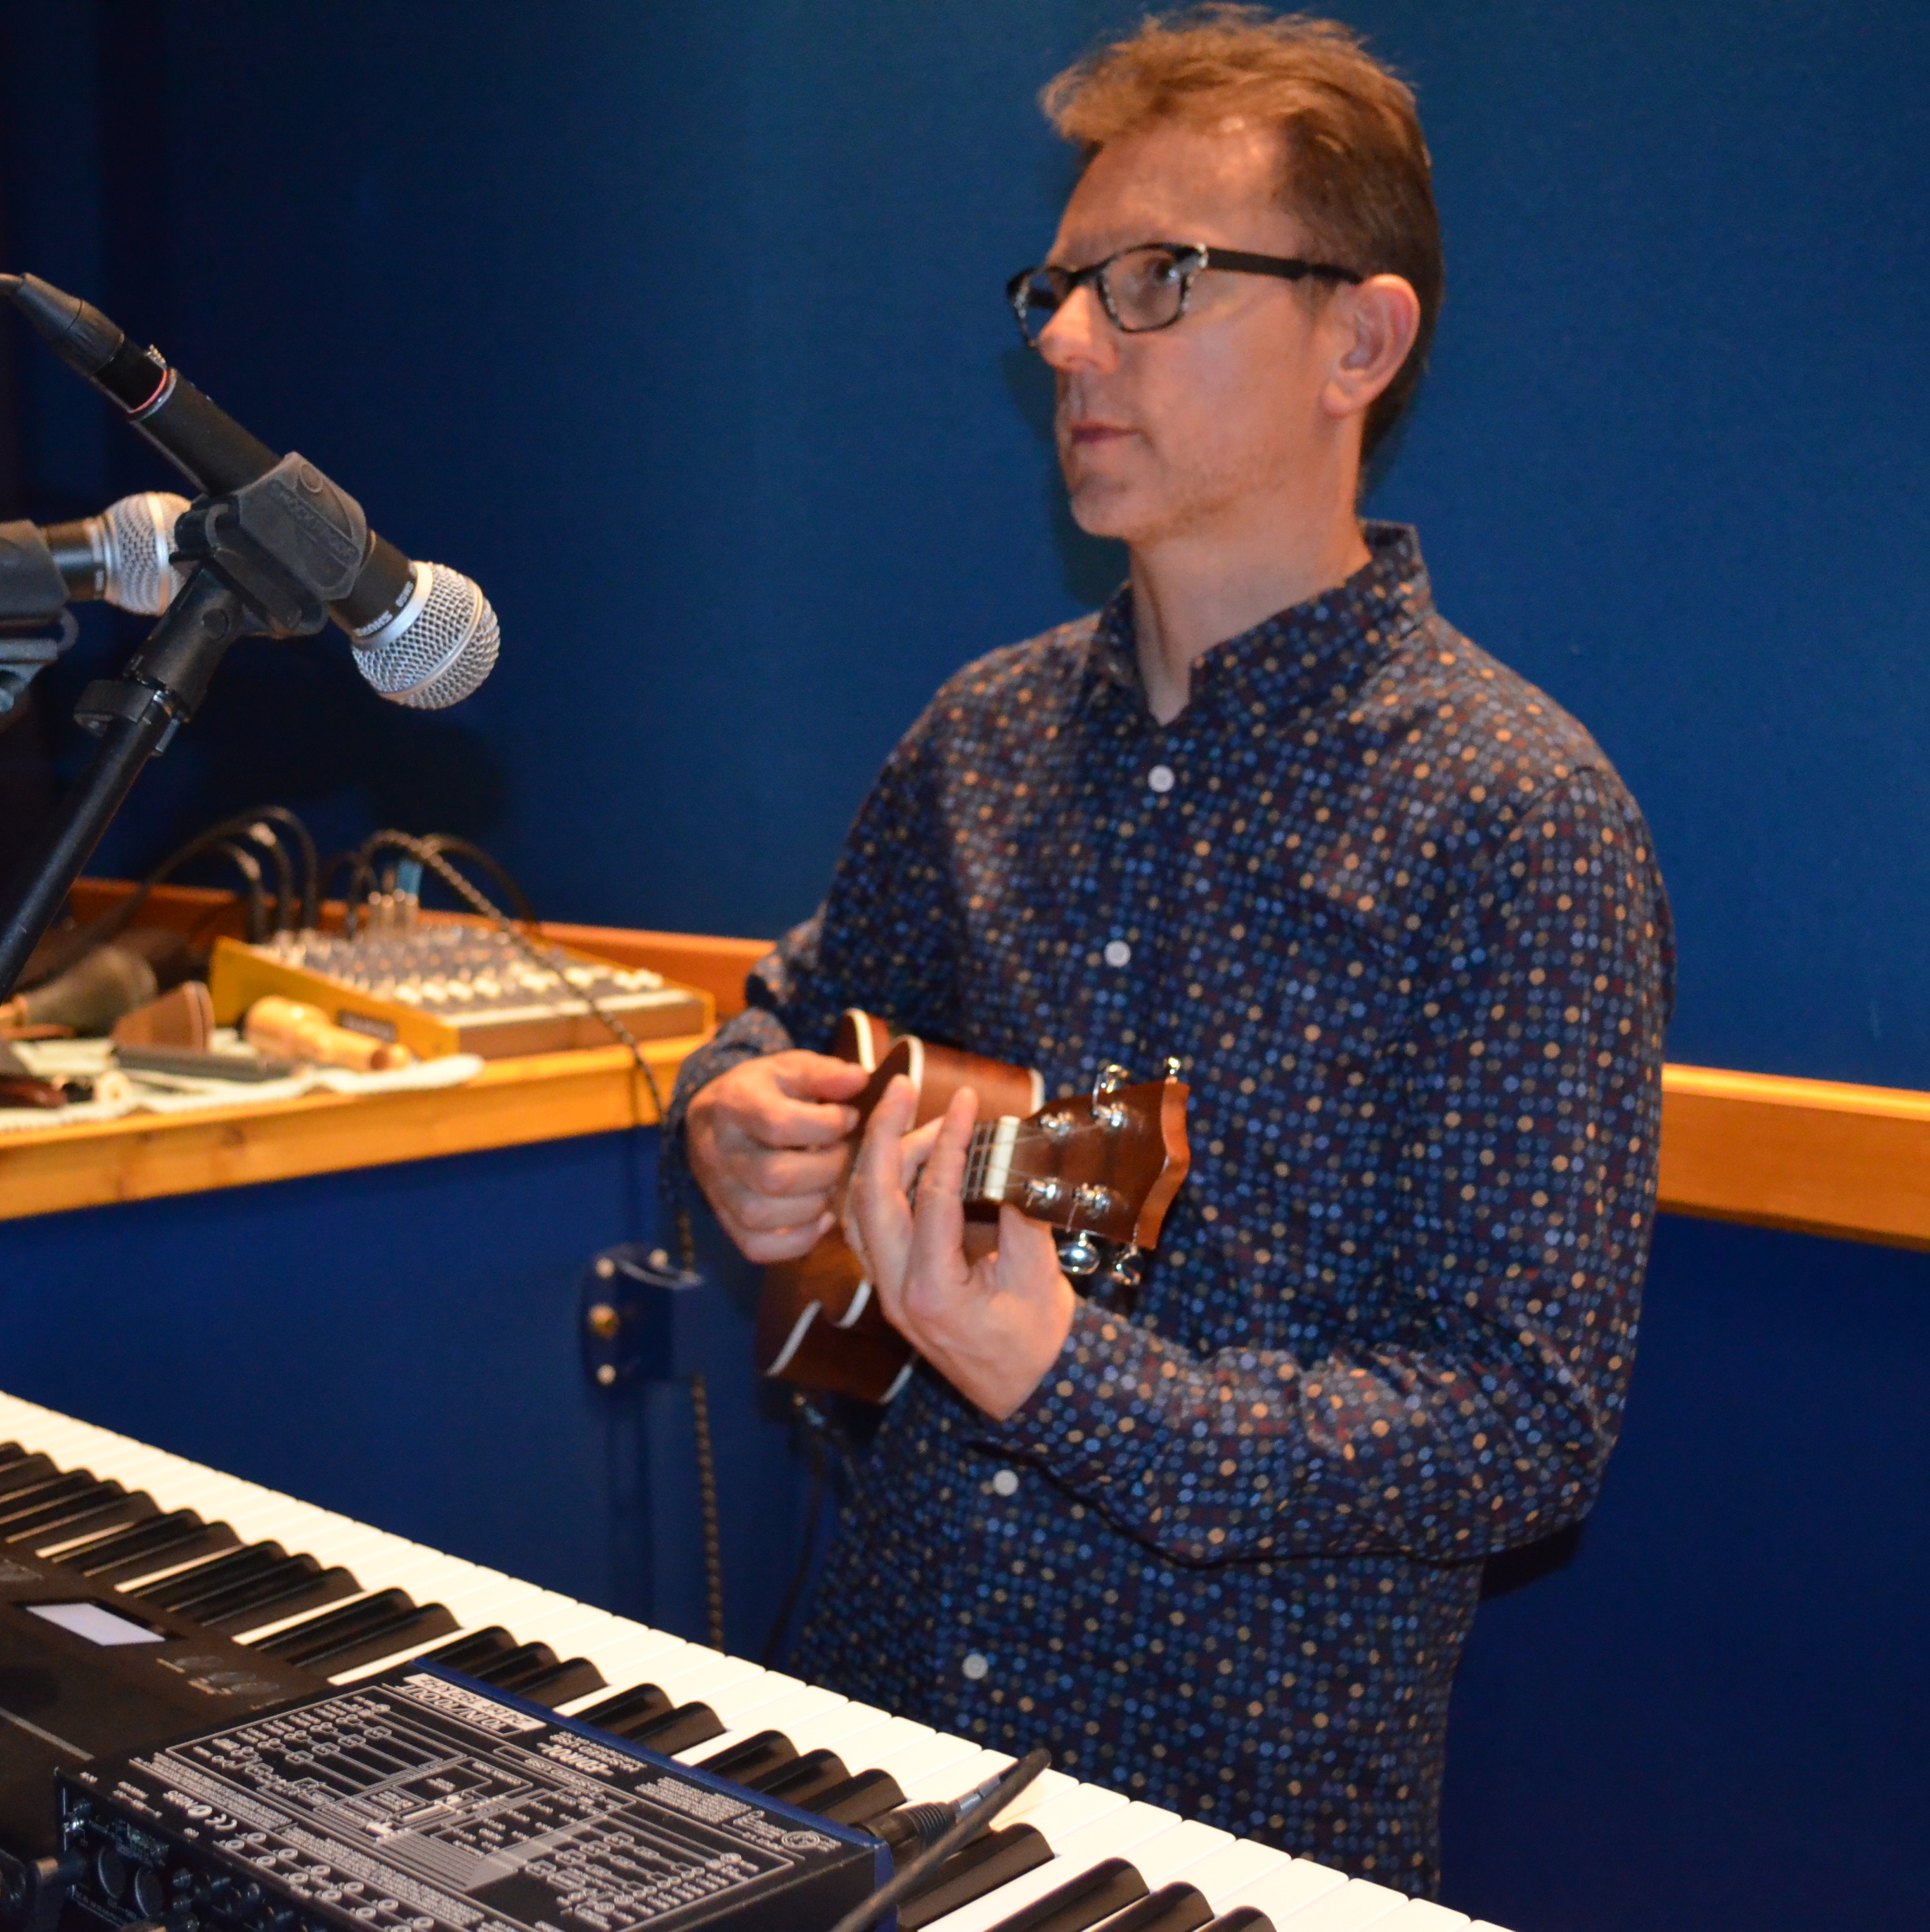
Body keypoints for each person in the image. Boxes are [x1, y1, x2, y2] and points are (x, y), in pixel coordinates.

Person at [668, 6, 1674, 1892]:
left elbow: (1524, 1426)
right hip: (871, 1741)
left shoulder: (1518, 818)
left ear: (1355, 341)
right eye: (1061, 285)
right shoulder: (977, 737)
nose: (1060, 338)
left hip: (1230, 1829)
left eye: (1154, 281)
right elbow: (788, 1021)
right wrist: (734, 1112)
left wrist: (1072, 1378)